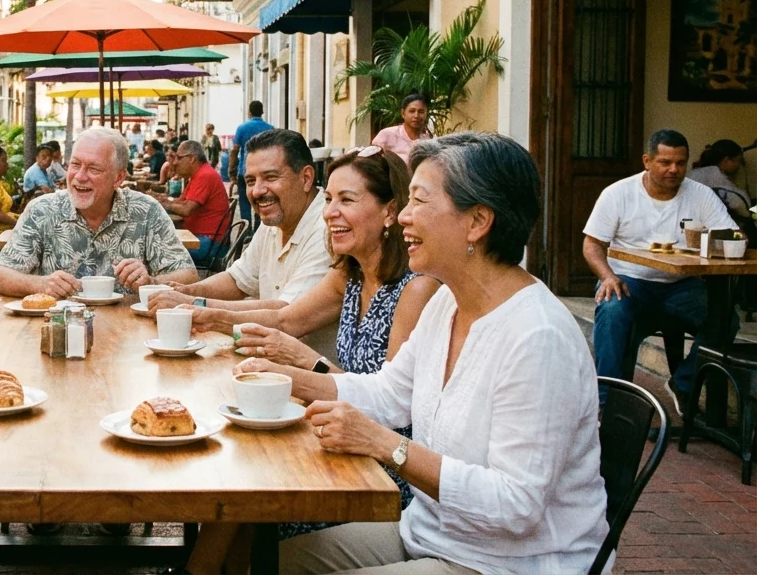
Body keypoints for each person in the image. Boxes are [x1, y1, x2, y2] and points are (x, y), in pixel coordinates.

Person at [240, 132, 608, 574]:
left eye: (419, 201)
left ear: (477, 222)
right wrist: (279, 378)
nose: (404, 217)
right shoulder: (448, 303)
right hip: (430, 533)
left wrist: (384, 443)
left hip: (507, 563)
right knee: (273, 559)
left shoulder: (537, 336)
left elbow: (517, 505)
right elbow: (389, 392)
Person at [181, 146, 439, 574]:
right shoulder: (351, 272)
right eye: (330, 199)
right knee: (246, 471)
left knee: (252, 487)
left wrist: (306, 363)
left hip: (382, 466)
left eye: (346, 200)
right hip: (341, 431)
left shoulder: (415, 290)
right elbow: (285, 318)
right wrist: (208, 314)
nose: (329, 213)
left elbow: (393, 408)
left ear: (391, 211)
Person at [583, 129, 737, 412]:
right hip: (629, 281)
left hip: (681, 285)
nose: (673, 170)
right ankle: (608, 402)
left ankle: (683, 382)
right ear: (647, 161)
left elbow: (733, 236)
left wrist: (708, 242)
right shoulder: (619, 193)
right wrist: (607, 276)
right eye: (665, 162)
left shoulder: (700, 195)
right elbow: (592, 244)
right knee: (612, 310)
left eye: (680, 162)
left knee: (725, 317)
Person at [0, 127, 199, 298]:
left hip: (129, 335)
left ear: (118, 178)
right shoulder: (42, 210)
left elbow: (189, 276)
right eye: (75, 164)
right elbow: (0, 277)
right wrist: (40, 284)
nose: (80, 177)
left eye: (94, 169)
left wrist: (152, 282)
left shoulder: (146, 211)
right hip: (57, 332)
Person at [147, 129, 332, 314]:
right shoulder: (277, 218)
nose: (257, 191)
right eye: (250, 181)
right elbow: (238, 279)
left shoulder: (329, 228)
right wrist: (186, 290)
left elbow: (287, 313)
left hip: (295, 341)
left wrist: (193, 303)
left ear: (306, 178)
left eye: (271, 177)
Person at [152, 141, 231, 266]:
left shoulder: (204, 175)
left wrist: (160, 203)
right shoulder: (199, 174)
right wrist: (163, 200)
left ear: (191, 158)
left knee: (153, 248)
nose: (175, 162)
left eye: (179, 157)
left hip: (208, 244)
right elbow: (180, 202)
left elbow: (186, 210)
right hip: (203, 239)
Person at [689, 138, 753, 227]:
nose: (738, 165)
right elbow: (739, 203)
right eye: (738, 160)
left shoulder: (700, 172)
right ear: (726, 160)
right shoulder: (713, 174)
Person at [230, 101, 274, 221]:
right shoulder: (270, 129)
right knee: (261, 200)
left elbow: (234, 150)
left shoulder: (242, 128)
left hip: (245, 171)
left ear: (249, 112)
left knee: (244, 201)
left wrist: (231, 170)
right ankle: (259, 228)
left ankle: (246, 229)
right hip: (264, 172)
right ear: (262, 112)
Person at [370, 93, 433, 162]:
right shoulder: (387, 135)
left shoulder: (427, 140)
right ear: (403, 113)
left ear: (426, 114)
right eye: (412, 111)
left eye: (421, 112)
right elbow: (373, 163)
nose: (416, 115)